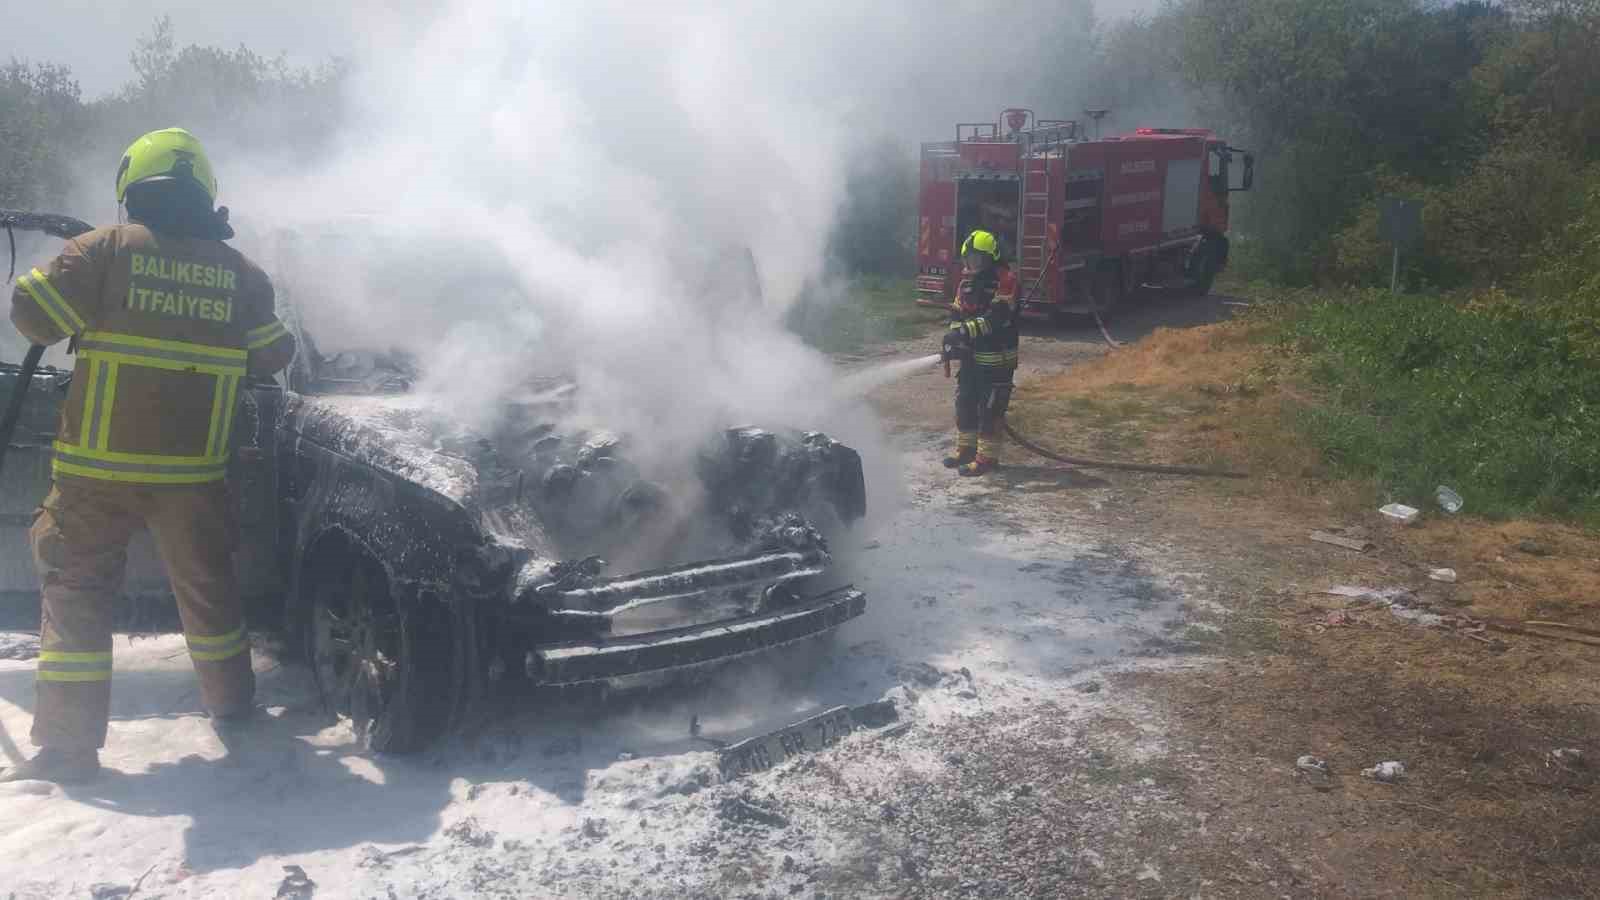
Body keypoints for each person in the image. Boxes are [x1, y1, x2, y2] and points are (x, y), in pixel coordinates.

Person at [2, 128, 295, 783]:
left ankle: (70, 750)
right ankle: (233, 705)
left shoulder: (101, 250)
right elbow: (276, 355)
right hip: (194, 477)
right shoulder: (241, 274)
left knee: (77, 598)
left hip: (95, 476)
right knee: (211, 596)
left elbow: (31, 316)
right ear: (206, 192)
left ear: (131, 186)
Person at [941, 229, 1018, 477]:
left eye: (979, 259)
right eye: (970, 258)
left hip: (997, 360)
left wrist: (964, 332)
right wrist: (954, 338)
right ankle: (966, 450)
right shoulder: (965, 283)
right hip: (972, 359)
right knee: (965, 403)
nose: (973, 263)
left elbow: (995, 318)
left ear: (991, 259)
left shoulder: (1005, 280)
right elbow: (956, 313)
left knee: (990, 410)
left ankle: (986, 459)